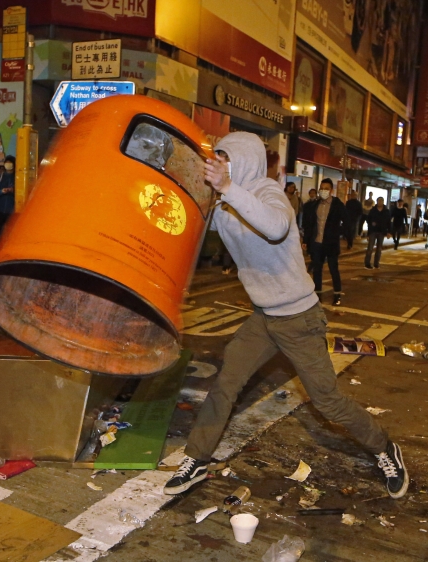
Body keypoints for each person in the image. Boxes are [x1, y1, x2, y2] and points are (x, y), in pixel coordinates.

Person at [163, 132, 407, 500]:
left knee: (327, 401)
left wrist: (227, 186)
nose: (219, 163)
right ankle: (197, 457)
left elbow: (275, 227)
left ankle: (384, 448)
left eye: (226, 157)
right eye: (218, 157)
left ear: (244, 160)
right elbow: (191, 223)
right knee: (226, 384)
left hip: (298, 317)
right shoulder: (226, 202)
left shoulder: (266, 193)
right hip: (263, 317)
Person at [302, 178, 344, 305]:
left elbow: (347, 221)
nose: (323, 191)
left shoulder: (337, 204)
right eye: (321, 188)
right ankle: (318, 296)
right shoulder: (314, 205)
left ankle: (337, 295)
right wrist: (306, 240)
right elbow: (309, 225)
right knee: (317, 270)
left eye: (326, 188)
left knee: (333, 269)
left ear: (331, 190)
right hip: (316, 243)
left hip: (330, 244)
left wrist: (339, 234)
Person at [0, 155, 16, 239]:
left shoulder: (17, 177)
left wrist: (13, 191)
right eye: (7, 162)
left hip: (12, 210)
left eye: (10, 163)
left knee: (11, 231)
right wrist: (1, 191)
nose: (8, 164)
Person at [365, 197, 391, 269]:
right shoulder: (373, 210)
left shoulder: (386, 211)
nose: (379, 202)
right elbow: (368, 220)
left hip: (381, 232)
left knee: (379, 249)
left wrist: (389, 232)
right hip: (373, 231)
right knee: (370, 248)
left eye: (381, 201)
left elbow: (389, 222)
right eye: (378, 201)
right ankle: (367, 263)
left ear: (383, 202)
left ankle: (376, 263)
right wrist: (371, 226)